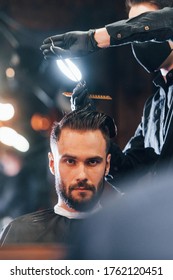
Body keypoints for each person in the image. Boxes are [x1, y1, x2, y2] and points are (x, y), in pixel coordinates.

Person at [40, 1, 173, 181]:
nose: (134, 36)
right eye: (129, 24)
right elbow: (128, 173)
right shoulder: (153, 107)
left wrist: (93, 39)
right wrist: (92, 126)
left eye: (138, 26)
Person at [0, 107, 120, 246]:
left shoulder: (133, 235)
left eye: (92, 162)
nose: (82, 175)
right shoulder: (19, 235)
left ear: (107, 165)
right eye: (70, 161)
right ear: (52, 163)